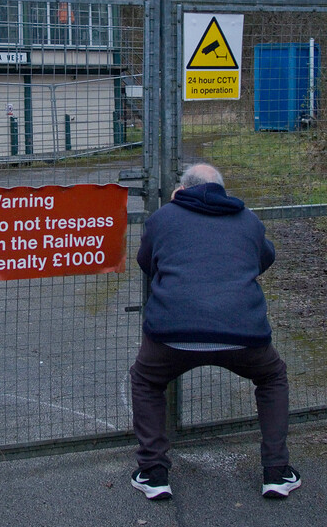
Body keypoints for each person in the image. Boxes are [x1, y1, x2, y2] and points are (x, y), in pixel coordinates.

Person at [129, 163, 301, 500]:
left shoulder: (162, 219)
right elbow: (264, 258)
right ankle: (277, 471)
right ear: (223, 189)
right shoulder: (248, 220)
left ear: (182, 190)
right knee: (272, 376)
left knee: (147, 380)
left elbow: (146, 262)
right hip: (243, 333)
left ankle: (153, 472)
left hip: (171, 332)